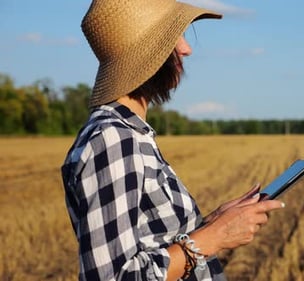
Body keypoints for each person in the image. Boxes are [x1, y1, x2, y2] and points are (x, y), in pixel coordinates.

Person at [60, 0, 285, 280]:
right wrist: (214, 237)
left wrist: (212, 223)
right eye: (174, 36)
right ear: (148, 52)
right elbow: (113, 276)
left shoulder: (130, 133)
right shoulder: (112, 139)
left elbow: (152, 239)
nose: (186, 49)